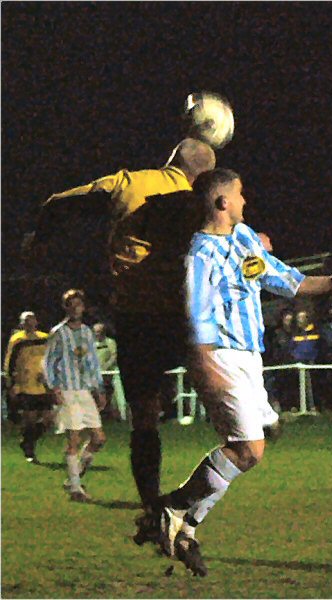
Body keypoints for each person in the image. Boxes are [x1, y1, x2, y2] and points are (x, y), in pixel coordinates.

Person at [155, 168, 332, 576]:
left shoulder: (244, 237)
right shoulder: (200, 255)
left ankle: (185, 528)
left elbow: (277, 276)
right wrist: (203, 365)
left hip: (251, 356)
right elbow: (196, 315)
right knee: (248, 449)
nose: (245, 201)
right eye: (239, 194)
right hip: (222, 356)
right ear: (222, 203)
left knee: (261, 439)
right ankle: (175, 507)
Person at [32, 139, 217, 536]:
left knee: (145, 419)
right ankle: (257, 419)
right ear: (203, 174)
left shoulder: (128, 183)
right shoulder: (204, 198)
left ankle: (153, 508)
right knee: (222, 388)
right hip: (188, 316)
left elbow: (56, 202)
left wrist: (40, 240)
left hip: (136, 319)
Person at [43, 289, 106, 502]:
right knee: (74, 439)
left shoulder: (87, 332)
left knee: (98, 438)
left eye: (79, 304)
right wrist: (54, 388)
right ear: (66, 307)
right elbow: (49, 362)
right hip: (67, 389)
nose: (76, 308)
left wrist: (99, 388)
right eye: (72, 304)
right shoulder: (59, 333)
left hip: (84, 389)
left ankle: (74, 477)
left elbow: (92, 362)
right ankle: (76, 490)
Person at [3, 311, 53, 462]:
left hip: (43, 385)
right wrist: (11, 383)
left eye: (32, 320)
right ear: (21, 324)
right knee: (30, 419)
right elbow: (9, 362)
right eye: (26, 321)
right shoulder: (17, 340)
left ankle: (27, 442)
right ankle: (30, 450)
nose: (29, 323)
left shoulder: (45, 338)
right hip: (26, 385)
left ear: (36, 321)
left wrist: (49, 375)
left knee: (48, 419)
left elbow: (51, 359)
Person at [291, 309, 320, 412]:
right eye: (298, 317)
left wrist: (313, 359)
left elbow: (317, 348)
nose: (300, 320)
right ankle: (298, 406)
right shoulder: (295, 333)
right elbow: (292, 348)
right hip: (298, 363)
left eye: (302, 317)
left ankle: (312, 406)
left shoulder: (315, 331)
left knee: (311, 386)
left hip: (311, 364)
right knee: (297, 386)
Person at [93, 323, 119, 419]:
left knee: (106, 391)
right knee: (97, 391)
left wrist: (106, 366)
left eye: (98, 332)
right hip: (95, 373)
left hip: (108, 372)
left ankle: (109, 412)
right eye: (95, 332)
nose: (96, 334)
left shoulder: (110, 342)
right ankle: (102, 411)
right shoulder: (91, 343)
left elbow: (113, 356)